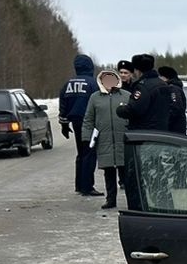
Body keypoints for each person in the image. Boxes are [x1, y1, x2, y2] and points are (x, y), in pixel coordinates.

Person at [82, 66, 130, 209]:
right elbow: (88, 119)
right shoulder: (95, 97)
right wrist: (87, 137)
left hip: (123, 139)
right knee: (109, 172)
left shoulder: (126, 95)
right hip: (104, 140)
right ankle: (111, 200)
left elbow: (134, 116)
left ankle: (132, 200)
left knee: (126, 172)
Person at [58, 53, 101, 195]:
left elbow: (63, 106)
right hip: (90, 123)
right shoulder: (93, 83)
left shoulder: (68, 84)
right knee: (89, 153)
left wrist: (64, 124)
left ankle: (79, 184)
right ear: (90, 66)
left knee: (81, 153)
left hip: (75, 123)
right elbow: (99, 104)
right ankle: (87, 187)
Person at [116, 53, 177, 132]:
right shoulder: (163, 84)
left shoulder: (143, 87)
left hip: (145, 133)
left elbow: (135, 109)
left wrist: (120, 110)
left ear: (138, 70)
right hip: (162, 131)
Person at [158, 65, 187, 134]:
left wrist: (166, 120)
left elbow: (176, 107)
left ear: (165, 77)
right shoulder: (172, 87)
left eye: (160, 76)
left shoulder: (173, 89)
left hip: (174, 128)